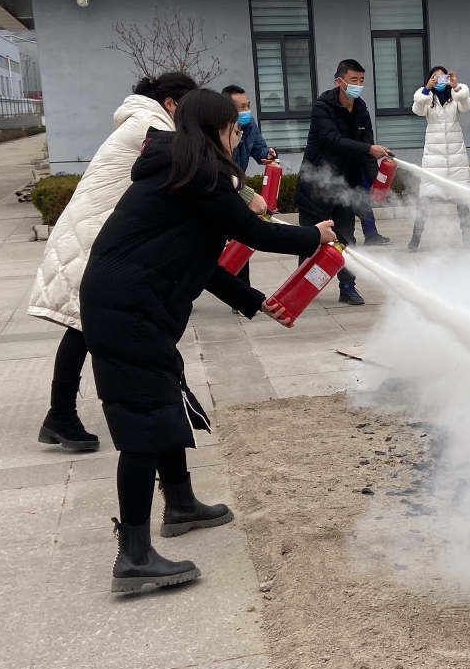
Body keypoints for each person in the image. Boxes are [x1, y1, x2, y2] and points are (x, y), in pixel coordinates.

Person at [80, 88, 336, 591]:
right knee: (142, 420)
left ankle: (180, 504)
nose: (239, 135)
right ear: (214, 130)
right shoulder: (199, 176)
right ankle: (133, 557)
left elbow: (203, 260)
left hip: (133, 305)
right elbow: (258, 234)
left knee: (163, 397)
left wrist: (253, 299)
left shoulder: (185, 172)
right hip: (126, 309)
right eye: (234, 128)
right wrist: (315, 236)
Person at [28, 72, 198, 452]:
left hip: (93, 231)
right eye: (191, 105)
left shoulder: (146, 120)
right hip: (91, 235)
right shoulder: (151, 124)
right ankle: (61, 414)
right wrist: (242, 192)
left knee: (83, 325)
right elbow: (192, 167)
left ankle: (61, 414)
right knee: (82, 325)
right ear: (171, 103)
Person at [297, 59, 391, 305]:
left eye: (362, 80)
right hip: (316, 184)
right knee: (309, 240)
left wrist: (376, 182)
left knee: (346, 239)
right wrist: (368, 149)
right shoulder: (322, 107)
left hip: (346, 186)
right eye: (353, 80)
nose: (358, 85)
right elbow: (333, 140)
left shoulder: (361, 108)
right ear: (339, 81)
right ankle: (300, 288)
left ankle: (348, 287)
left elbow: (368, 147)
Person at [408, 66, 470, 252]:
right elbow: (417, 109)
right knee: (425, 200)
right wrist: (427, 89)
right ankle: (415, 240)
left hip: (456, 156)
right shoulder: (428, 100)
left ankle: (467, 239)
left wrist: (456, 86)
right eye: (434, 78)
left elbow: (468, 106)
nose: (439, 81)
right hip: (433, 159)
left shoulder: (455, 97)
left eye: (442, 77)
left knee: (462, 201)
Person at [221, 84, 277, 297]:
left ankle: (240, 293)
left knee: (240, 237)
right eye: (241, 107)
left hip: (238, 186)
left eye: (248, 105)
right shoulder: (219, 128)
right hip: (222, 186)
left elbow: (258, 147)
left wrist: (266, 154)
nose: (246, 111)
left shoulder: (249, 124)